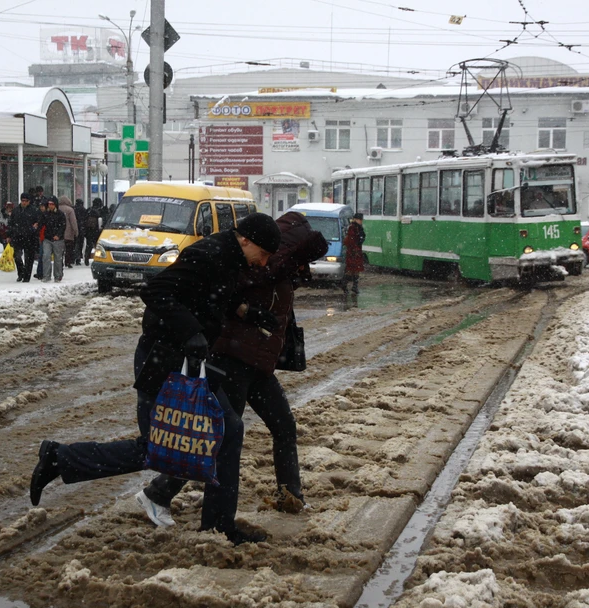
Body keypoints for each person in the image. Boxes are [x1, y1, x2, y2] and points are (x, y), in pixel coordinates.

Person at [29, 213, 282, 545]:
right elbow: (156, 290)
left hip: (184, 361)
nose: (263, 263)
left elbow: (212, 293)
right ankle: (59, 458)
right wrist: (191, 332)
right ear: (246, 239)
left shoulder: (229, 258)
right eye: (263, 253)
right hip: (162, 359)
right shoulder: (209, 253)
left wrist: (248, 313)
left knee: (228, 430)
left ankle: (219, 527)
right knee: (158, 447)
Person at [137, 210, 329, 526]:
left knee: (282, 425)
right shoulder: (250, 265)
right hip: (233, 359)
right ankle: (159, 493)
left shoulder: (275, 270)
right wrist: (245, 312)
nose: (265, 261)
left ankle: (291, 496)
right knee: (219, 437)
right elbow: (217, 297)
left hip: (259, 363)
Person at [8, 193, 38, 282]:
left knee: (29, 258)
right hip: (17, 236)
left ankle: (26, 276)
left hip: (30, 237)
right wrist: (9, 235)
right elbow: (11, 223)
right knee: (17, 256)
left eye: (26, 201)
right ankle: (21, 272)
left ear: (29, 201)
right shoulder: (16, 210)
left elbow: (38, 222)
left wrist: (34, 228)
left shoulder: (33, 211)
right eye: (22, 201)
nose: (24, 203)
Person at [39, 196, 66, 283]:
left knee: (58, 258)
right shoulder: (45, 214)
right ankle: (46, 275)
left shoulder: (60, 214)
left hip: (58, 240)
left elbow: (63, 226)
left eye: (52, 204)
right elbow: (41, 224)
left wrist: (58, 235)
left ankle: (58, 276)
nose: (50, 206)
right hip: (47, 239)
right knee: (46, 256)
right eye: (49, 204)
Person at [342, 212, 365, 294]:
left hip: (356, 251)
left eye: (361, 219)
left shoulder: (358, 227)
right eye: (359, 219)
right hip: (353, 252)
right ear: (355, 219)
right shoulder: (353, 228)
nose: (361, 221)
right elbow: (351, 240)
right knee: (351, 269)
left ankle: (353, 286)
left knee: (355, 270)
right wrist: (355, 249)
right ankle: (345, 285)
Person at [59, 196, 79, 269]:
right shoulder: (70, 210)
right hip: (69, 233)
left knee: (59, 249)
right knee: (69, 249)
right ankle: (68, 262)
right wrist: (76, 231)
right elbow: (73, 222)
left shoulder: (57, 209)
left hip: (59, 233)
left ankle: (59, 262)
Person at [83, 197, 104, 266]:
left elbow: (84, 221)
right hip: (97, 231)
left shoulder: (89, 210)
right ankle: (98, 258)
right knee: (98, 246)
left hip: (89, 231)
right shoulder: (100, 211)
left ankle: (86, 257)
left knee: (89, 245)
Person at [73, 199, 88, 266]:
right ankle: (78, 258)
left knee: (74, 243)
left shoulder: (73, 209)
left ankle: (74, 257)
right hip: (81, 229)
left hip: (74, 229)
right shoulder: (84, 210)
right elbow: (86, 219)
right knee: (80, 244)